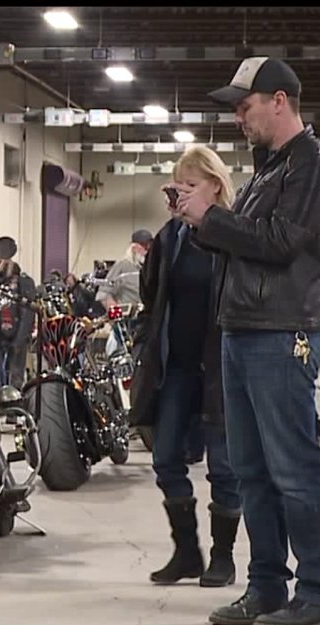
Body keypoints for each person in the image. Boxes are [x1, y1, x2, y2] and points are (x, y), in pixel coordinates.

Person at [178, 57, 320, 625]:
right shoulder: (268, 171)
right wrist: (198, 223)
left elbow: (280, 244)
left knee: (294, 468)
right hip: (244, 330)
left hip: (281, 333)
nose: (238, 119)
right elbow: (242, 250)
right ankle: (268, 585)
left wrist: (213, 217)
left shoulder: (314, 167)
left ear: (280, 100)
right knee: (252, 470)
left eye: (244, 106)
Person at [133, 146, 241, 588]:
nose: (183, 195)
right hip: (175, 366)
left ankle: (223, 557)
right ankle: (187, 551)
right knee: (165, 458)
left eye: (191, 186)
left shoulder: (234, 232)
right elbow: (151, 296)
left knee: (224, 466)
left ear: (216, 186)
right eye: (178, 187)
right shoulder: (170, 238)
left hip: (221, 366)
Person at [0, 236, 37, 390]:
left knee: (15, 375)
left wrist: (20, 339)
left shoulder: (24, 282)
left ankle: (15, 406)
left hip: (17, 335)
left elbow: (28, 314)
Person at [96, 229, 151, 311]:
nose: (147, 250)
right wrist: (116, 315)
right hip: (127, 320)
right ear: (134, 248)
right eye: (144, 246)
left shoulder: (151, 269)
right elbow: (104, 294)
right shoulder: (122, 266)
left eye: (150, 246)